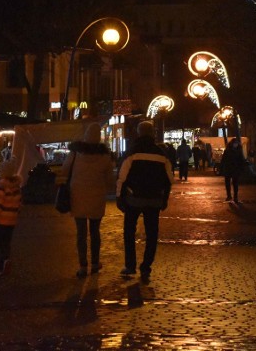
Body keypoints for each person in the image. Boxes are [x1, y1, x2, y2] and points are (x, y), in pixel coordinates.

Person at [116, 120, 173, 283]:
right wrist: (165, 197)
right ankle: (146, 266)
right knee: (152, 234)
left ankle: (130, 265)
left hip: (133, 198)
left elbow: (122, 177)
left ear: (139, 133)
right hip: (154, 199)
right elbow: (169, 178)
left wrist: (120, 197)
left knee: (129, 232)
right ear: (153, 133)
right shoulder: (161, 154)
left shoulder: (132, 152)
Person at [61, 123, 114, 278]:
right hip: (97, 198)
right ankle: (95, 263)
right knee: (95, 232)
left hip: (77, 196)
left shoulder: (76, 154)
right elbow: (110, 180)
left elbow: (65, 170)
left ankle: (83, 265)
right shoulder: (104, 157)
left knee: (81, 233)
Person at [0, 161, 22, 276]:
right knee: (6, 242)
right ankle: (6, 259)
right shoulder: (16, 186)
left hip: (1, 221)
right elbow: (18, 204)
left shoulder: (1, 186)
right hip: (11, 220)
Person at [218, 138, 247, 203]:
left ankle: (235, 196)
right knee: (228, 183)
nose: (235, 145)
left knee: (235, 183)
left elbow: (241, 160)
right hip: (229, 168)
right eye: (234, 143)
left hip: (234, 169)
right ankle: (229, 196)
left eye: (236, 143)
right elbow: (224, 160)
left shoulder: (238, 151)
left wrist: (242, 166)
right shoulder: (228, 151)